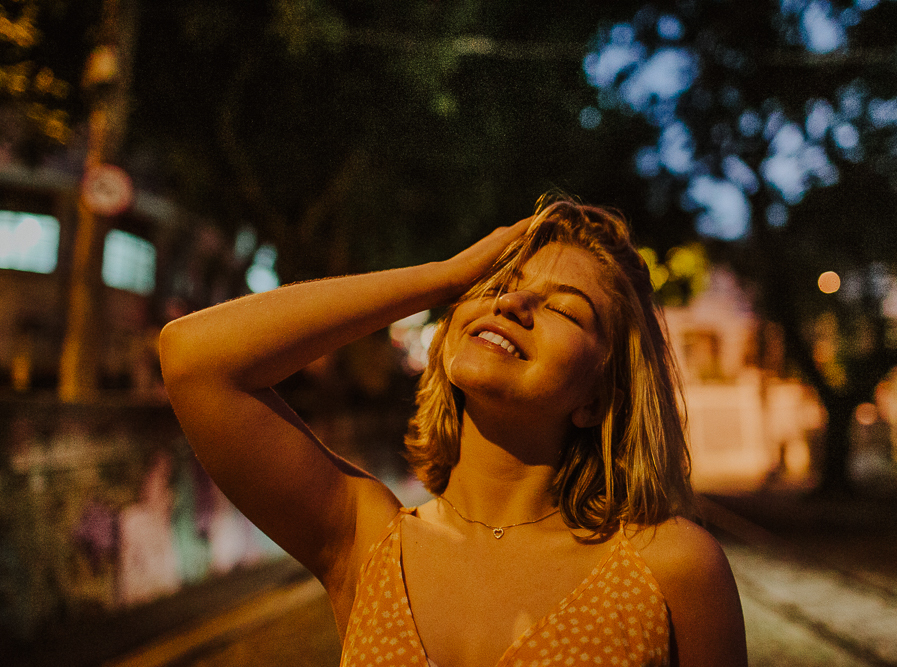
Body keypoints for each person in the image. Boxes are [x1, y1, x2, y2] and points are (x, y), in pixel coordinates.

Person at [160, 196, 747, 666]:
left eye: (565, 309)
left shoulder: (671, 569)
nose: (513, 303)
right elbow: (193, 359)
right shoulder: (367, 541)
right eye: (496, 284)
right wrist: (444, 277)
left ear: (596, 399)